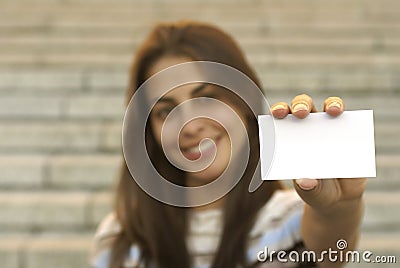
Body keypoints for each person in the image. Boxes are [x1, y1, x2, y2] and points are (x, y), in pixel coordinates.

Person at [90, 21, 366, 268]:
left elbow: (331, 244)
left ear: (245, 101)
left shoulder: (291, 218)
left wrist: (339, 207)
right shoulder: (118, 240)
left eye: (207, 98)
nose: (190, 125)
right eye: (165, 111)